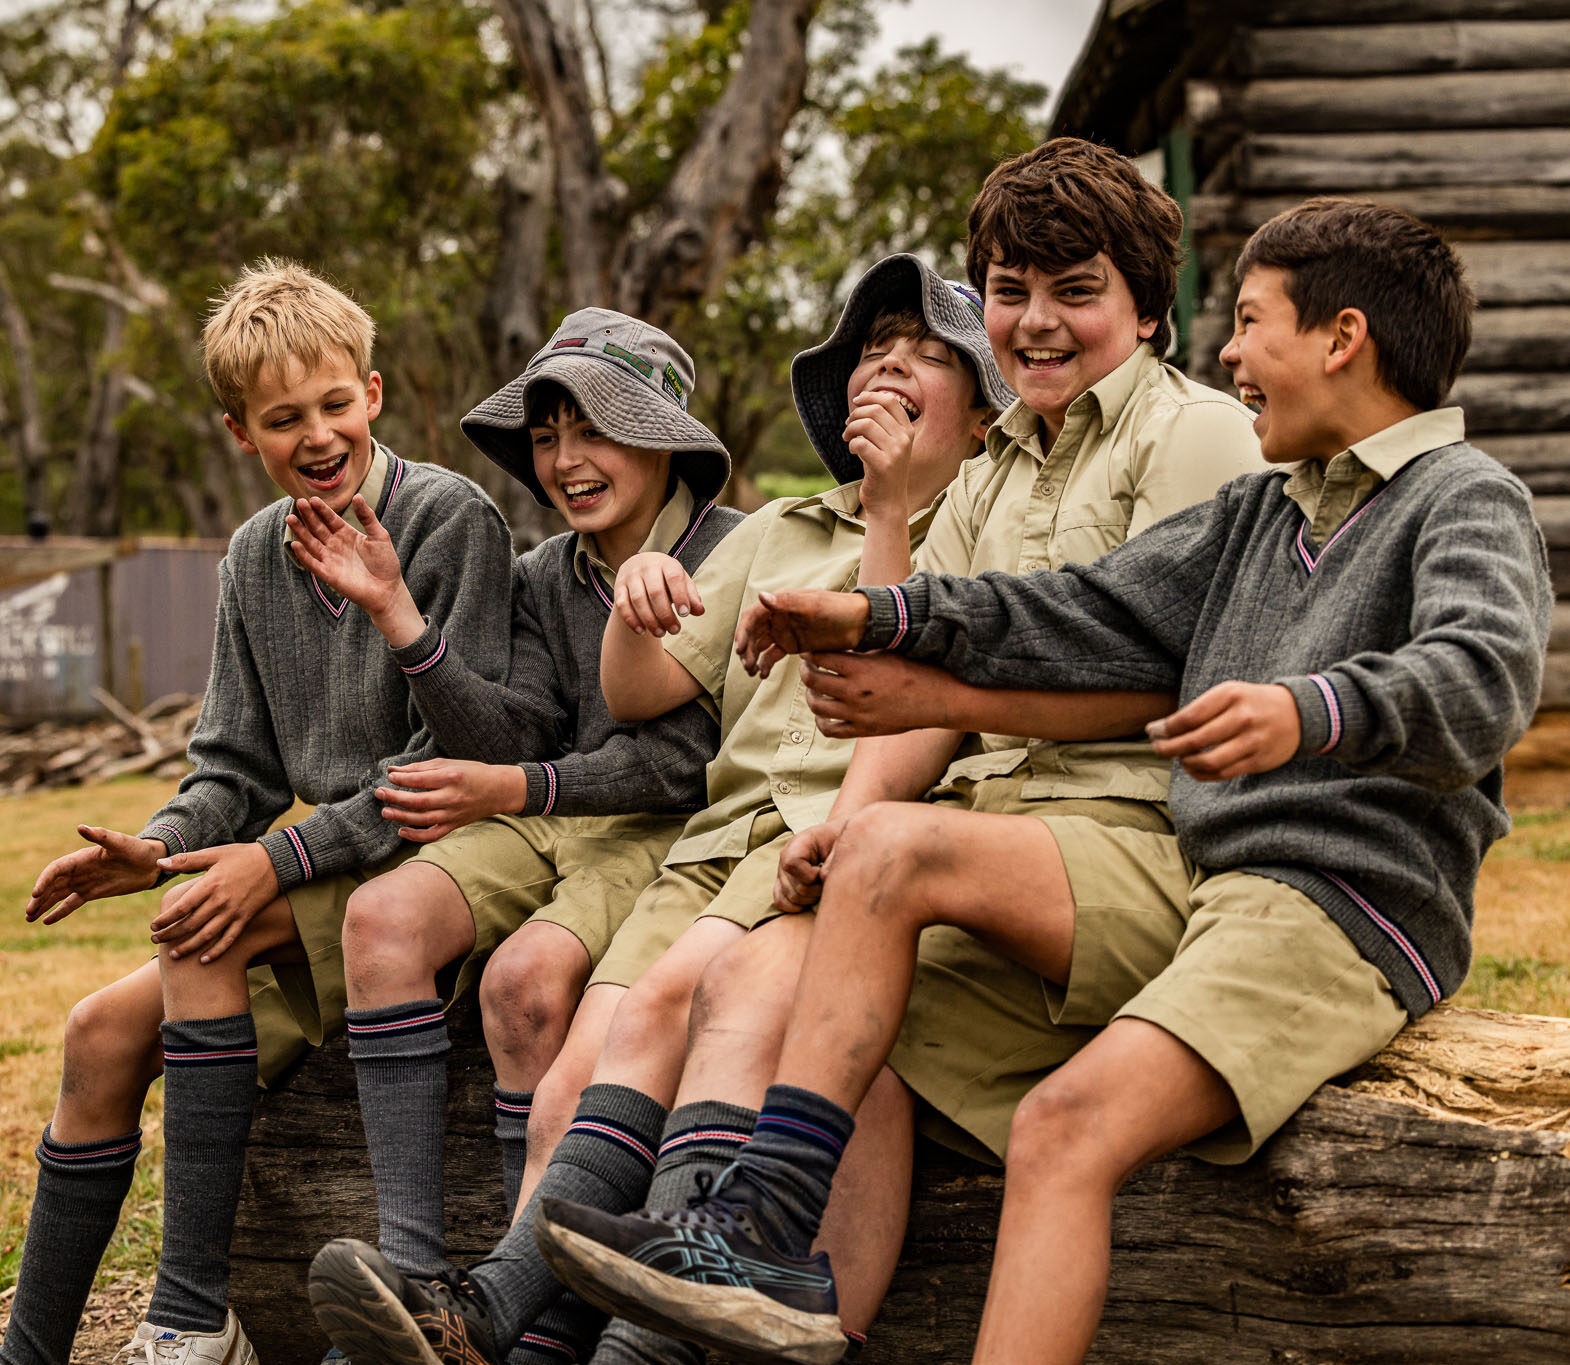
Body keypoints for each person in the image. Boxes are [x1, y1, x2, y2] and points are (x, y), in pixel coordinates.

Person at [542, 197, 1551, 1365]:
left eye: (1251, 321)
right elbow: (1076, 610)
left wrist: (1306, 708)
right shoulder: (1264, 509)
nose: (1227, 352)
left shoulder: (1462, 492)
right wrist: (877, 611)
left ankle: (756, 1230)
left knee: (1063, 1123)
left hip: (1341, 899)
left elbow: (1482, 678)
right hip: (1217, 883)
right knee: (859, 1006)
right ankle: (766, 1251)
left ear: (1342, 338)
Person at [535, 135, 1264, 1364]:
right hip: (999, 838)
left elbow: (1178, 683)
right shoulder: (987, 477)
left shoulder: (1188, 438)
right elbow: (928, 703)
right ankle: (761, 1311)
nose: (1037, 324)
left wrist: (878, 802)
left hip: (1141, 836)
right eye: (1014, 293)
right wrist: (837, 818)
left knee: (872, 876)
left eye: (1075, 292)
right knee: (799, 1003)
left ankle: (740, 1238)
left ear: (1147, 308)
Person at [306, 252, 1013, 1365]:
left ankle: (542, 1325)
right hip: (722, 852)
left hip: (837, 844)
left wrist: (886, 510)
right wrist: (633, 611)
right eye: (877, 351)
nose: (890, 368)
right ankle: (490, 1323)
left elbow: (885, 702)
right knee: (572, 1094)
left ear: (981, 422)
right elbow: (627, 697)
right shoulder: (775, 530)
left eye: (929, 358)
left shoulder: (989, 522)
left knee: (679, 1012)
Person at [2, 259, 515, 1365]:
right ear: (242, 432)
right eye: (285, 419)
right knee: (95, 1034)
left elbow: (450, 764)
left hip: (433, 867)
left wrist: (272, 863)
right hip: (321, 878)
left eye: (335, 405)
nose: (318, 434)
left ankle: (191, 1316)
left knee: (207, 922)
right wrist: (164, 842)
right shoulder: (250, 557)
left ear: (372, 394)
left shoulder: (447, 519)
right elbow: (232, 766)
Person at [285, 307, 741, 1357]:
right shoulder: (544, 574)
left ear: (664, 433)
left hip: (660, 829)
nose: (567, 462)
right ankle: (410, 1282)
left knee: (523, 981)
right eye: (546, 437)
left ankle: (528, 1324)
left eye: (595, 429)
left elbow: (685, 765)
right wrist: (404, 620)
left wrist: (518, 787)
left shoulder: (729, 553)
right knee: (384, 917)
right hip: (547, 809)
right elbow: (518, 727)